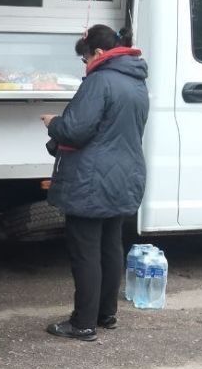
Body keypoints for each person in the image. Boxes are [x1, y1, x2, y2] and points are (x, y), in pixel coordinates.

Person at [40, 25, 149, 342]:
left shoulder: (100, 81)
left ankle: (83, 323)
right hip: (124, 176)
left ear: (98, 54)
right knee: (110, 247)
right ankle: (106, 314)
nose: (85, 64)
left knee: (85, 251)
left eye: (85, 58)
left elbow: (75, 131)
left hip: (91, 180)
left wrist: (53, 123)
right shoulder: (136, 81)